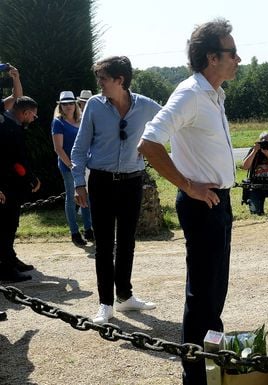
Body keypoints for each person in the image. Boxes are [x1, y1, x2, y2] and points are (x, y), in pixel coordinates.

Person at [137, 18, 240, 385]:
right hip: (202, 203)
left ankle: (210, 367)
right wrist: (188, 185)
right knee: (202, 296)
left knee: (215, 293)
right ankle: (195, 377)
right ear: (212, 57)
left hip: (218, 201)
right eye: (231, 53)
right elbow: (149, 142)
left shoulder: (213, 94)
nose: (238, 58)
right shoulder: (190, 93)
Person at [71, 56, 160, 325]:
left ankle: (125, 296)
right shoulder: (94, 107)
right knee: (104, 245)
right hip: (101, 181)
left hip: (133, 181)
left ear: (120, 80)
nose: (99, 84)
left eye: (103, 79)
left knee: (127, 242)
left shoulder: (146, 106)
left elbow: (174, 121)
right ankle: (105, 304)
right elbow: (79, 147)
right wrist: (78, 182)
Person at [0, 96, 41, 283]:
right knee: (6, 227)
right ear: (25, 113)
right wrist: (31, 179)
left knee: (11, 225)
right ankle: (7, 267)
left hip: (10, 184)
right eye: (34, 115)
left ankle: (10, 259)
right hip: (7, 185)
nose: (34, 119)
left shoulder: (10, 125)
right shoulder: (10, 129)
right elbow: (17, 161)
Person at [51, 91, 93, 246]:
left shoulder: (81, 120)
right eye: (64, 104)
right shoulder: (58, 122)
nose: (68, 106)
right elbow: (58, 148)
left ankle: (89, 229)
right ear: (60, 106)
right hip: (68, 165)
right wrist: (70, 165)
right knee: (71, 198)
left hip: (84, 164)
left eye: (70, 103)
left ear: (75, 104)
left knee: (87, 197)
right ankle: (74, 232)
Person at [241, 132, 268, 215]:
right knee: (256, 213)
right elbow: (245, 167)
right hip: (256, 186)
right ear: (259, 142)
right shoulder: (254, 152)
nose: (266, 144)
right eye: (264, 141)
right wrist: (254, 151)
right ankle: (257, 205)